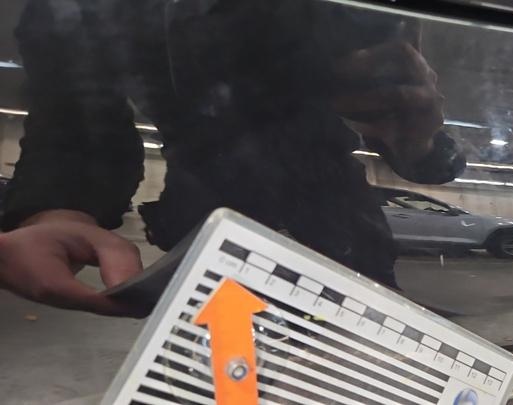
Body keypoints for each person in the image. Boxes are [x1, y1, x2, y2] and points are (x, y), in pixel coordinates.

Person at [0, 0, 465, 315]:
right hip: (209, 244)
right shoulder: (80, 11)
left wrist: (417, 136)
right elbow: (74, 112)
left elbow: (407, 131)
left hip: (338, 240)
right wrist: (57, 210)